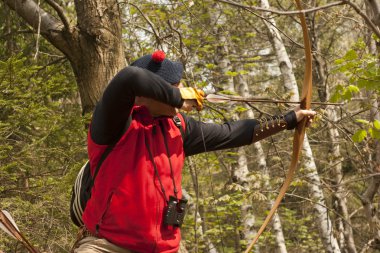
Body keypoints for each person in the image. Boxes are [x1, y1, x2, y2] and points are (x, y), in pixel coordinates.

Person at [72, 50, 316, 253]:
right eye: (172, 87)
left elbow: (233, 133)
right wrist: (176, 97)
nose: (181, 90)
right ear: (147, 94)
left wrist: (289, 120)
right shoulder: (115, 124)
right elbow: (129, 77)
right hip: (107, 246)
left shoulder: (178, 128)